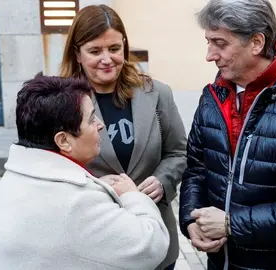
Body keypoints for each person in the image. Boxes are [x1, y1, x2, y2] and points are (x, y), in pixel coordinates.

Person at [179, 0, 276, 269]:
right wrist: (191, 220)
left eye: (220, 43)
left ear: (256, 42)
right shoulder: (212, 97)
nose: (209, 55)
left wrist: (230, 224)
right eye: (208, 41)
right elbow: (196, 170)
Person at [0, 74, 170, 270]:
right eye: (91, 118)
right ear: (64, 140)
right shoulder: (78, 203)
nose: (100, 124)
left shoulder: (11, 182)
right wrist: (131, 196)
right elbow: (152, 245)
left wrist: (96, 186)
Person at [60, 5, 187, 270]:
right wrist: (96, 186)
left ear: (124, 47)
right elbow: (51, 168)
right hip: (95, 244)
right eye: (95, 51)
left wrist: (162, 182)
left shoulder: (157, 93)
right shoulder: (61, 102)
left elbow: (179, 152)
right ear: (78, 54)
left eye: (114, 49)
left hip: (155, 240)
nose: (107, 59)